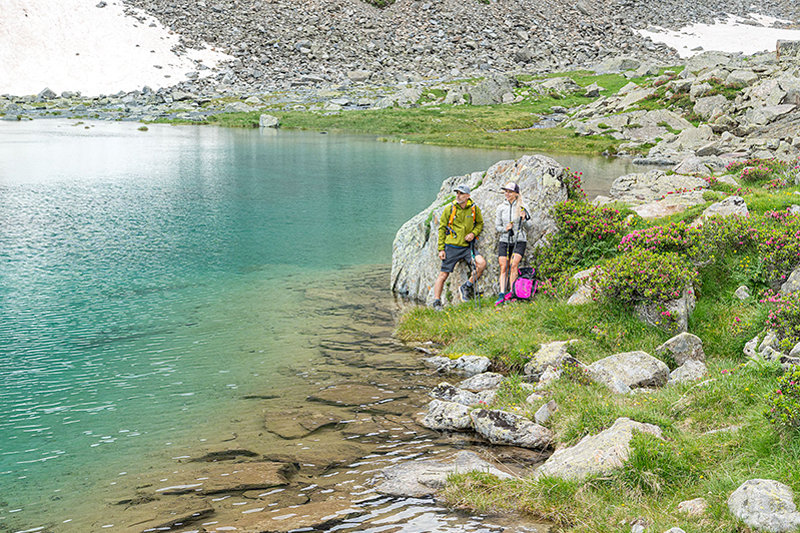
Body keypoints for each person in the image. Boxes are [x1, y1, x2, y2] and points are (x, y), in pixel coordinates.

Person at [431, 184, 486, 310]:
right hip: (451, 247)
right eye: (457, 193)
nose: (458, 196)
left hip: (467, 247)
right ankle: (437, 302)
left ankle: (466, 286)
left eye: (461, 193)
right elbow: (442, 228)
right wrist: (441, 249)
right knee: (443, 275)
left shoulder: (473, 209)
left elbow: (479, 224)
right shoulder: (449, 209)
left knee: (481, 264)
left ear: (468, 196)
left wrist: (473, 233)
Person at [494, 181, 531, 305]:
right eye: (506, 191)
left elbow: (529, 227)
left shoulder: (522, 206)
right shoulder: (501, 208)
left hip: (519, 240)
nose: (507, 194)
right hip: (505, 240)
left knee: (514, 264)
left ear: (516, 193)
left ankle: (513, 292)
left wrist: (523, 219)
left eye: (510, 191)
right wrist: (505, 229)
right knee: (503, 266)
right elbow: (497, 226)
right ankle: (502, 293)